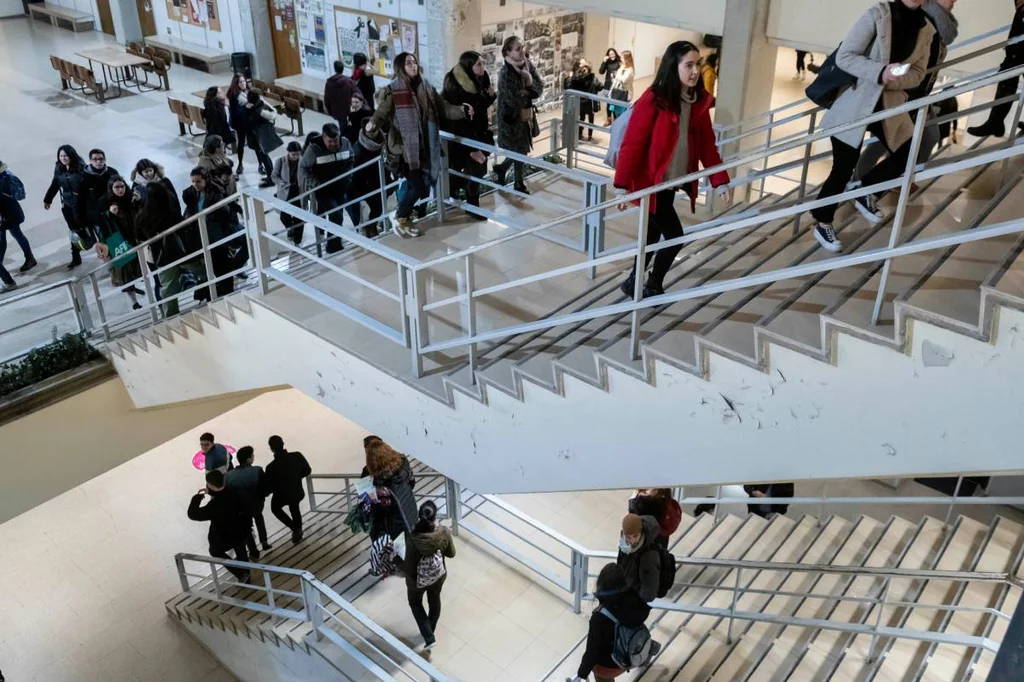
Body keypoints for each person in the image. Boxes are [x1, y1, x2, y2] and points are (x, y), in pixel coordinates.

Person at [808, 0, 936, 254]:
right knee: (843, 168)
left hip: (889, 105)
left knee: (909, 151)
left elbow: (919, 72)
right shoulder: (877, 15)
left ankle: (865, 190)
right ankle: (823, 221)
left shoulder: (926, 29)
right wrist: (879, 72)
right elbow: (846, 56)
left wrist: (893, 80)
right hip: (856, 103)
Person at [613, 40, 732, 299]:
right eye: (688, 65)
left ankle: (633, 281)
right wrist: (621, 186)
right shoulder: (653, 100)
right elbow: (633, 143)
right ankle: (653, 284)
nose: (695, 71)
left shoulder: (697, 102)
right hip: (650, 183)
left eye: (697, 64)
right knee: (675, 236)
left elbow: (707, 147)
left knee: (653, 234)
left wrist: (720, 181)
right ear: (673, 66)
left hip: (669, 183)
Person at [855, 0, 960, 184]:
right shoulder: (924, 19)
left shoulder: (941, 24)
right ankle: (859, 182)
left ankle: (898, 180)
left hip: (920, 94)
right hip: (906, 93)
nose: (955, 0)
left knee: (927, 137)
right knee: (884, 141)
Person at [366, 52, 469, 238]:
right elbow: (381, 114)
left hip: (424, 148)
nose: (413, 65)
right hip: (403, 151)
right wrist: (372, 126)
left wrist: (461, 111)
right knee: (420, 188)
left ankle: (402, 216)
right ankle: (399, 216)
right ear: (400, 67)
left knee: (422, 187)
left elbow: (443, 108)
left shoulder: (426, 87)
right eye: (408, 63)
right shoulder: (394, 91)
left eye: (414, 62)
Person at [568, 564, 656, 682]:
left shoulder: (600, 617)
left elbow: (591, 652)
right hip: (630, 654)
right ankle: (649, 652)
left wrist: (581, 675)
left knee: (599, 670)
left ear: (601, 583)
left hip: (610, 666)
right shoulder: (635, 599)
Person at [443, 50, 497, 220]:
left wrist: (491, 96)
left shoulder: (482, 79)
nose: (483, 67)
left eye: (483, 63)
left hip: (478, 132)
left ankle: (461, 197)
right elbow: (459, 120)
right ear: (468, 67)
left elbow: (479, 107)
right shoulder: (456, 87)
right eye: (479, 64)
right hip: (462, 137)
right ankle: (471, 205)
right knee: (474, 169)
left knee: (479, 169)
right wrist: (473, 148)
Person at [137, 182, 204, 317]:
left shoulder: (142, 217)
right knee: (204, 271)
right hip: (181, 253)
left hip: (161, 257)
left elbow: (139, 236)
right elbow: (183, 229)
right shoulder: (170, 212)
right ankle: (211, 293)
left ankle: (171, 317)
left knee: (167, 288)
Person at [403, 500, 456, 650]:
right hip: (438, 577)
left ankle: (429, 636)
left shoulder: (412, 538)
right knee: (434, 602)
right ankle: (429, 631)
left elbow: (408, 567)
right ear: (435, 515)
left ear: (419, 517)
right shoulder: (444, 532)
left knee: (415, 603)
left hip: (416, 582)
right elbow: (452, 554)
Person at [967, 0, 1024, 138]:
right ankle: (995, 122)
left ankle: (995, 123)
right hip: (1015, 54)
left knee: (1007, 78)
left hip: (1018, 54)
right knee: (1006, 79)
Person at [183, 167, 240, 299]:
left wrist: (209, 218)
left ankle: (227, 291)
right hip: (202, 234)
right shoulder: (191, 194)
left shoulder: (215, 193)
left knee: (221, 264)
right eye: (193, 182)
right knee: (212, 264)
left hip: (216, 234)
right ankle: (220, 290)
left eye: (198, 181)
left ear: (205, 180)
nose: (195, 185)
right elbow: (190, 209)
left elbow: (224, 214)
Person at [494, 36, 542, 194]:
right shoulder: (505, 72)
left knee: (521, 150)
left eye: (522, 47)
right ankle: (517, 182)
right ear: (508, 52)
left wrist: (526, 90)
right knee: (518, 150)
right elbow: (511, 98)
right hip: (510, 118)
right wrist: (528, 91)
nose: (522, 51)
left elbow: (539, 87)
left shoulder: (527, 65)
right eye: (518, 49)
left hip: (524, 116)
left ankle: (504, 170)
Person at [299, 122, 354, 253]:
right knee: (336, 215)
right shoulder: (313, 149)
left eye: (336, 140)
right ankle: (333, 246)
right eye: (330, 141)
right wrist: (315, 183)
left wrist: (348, 176)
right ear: (323, 137)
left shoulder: (345, 143)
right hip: (323, 190)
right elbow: (303, 168)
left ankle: (331, 240)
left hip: (341, 188)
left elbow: (351, 157)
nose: (334, 144)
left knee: (337, 215)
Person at [187, 470, 251, 582]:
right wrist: (212, 492)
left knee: (215, 551)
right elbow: (223, 495)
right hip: (241, 529)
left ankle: (241, 574)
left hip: (225, 536)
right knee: (240, 547)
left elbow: (193, 514)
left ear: (210, 485)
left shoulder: (213, 506)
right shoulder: (234, 492)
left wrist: (197, 498)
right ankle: (247, 571)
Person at [95, 176, 143, 310]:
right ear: (111, 188)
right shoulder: (105, 202)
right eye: (117, 187)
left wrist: (139, 202)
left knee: (135, 267)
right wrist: (108, 213)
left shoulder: (130, 197)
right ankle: (132, 299)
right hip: (119, 241)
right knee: (125, 270)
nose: (120, 189)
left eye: (122, 186)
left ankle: (133, 288)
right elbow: (99, 221)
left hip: (133, 237)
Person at [343, 92, 387, 235]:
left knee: (378, 207)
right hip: (363, 184)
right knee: (372, 207)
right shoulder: (358, 148)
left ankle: (371, 227)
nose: (373, 131)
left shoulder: (381, 141)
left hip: (377, 179)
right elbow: (356, 171)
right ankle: (368, 228)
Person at [361, 435, 418, 541]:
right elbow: (412, 483)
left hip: (390, 528)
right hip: (410, 512)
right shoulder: (403, 463)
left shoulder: (370, 478)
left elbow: (371, 508)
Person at [43, 145, 87, 269]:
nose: (63, 158)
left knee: (86, 228)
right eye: (61, 156)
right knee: (73, 231)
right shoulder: (59, 168)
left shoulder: (81, 168)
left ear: (71, 155)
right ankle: (76, 256)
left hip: (81, 205)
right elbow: (55, 183)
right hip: (67, 205)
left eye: (65, 155)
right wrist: (48, 199)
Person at [264, 435, 312, 544]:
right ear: (283, 443)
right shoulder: (297, 456)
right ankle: (297, 531)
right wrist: (296, 477)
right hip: (297, 491)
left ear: (271, 449)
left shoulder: (271, 467)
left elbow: (269, 487)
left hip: (281, 495)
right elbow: (307, 470)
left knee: (275, 508)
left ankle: (295, 529)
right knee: (294, 507)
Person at [226, 445, 272, 557]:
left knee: (247, 529)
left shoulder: (228, 476)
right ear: (248, 459)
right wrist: (262, 496)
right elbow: (266, 488)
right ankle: (264, 542)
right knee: (259, 519)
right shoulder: (257, 470)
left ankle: (253, 552)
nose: (253, 457)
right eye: (252, 456)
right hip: (256, 504)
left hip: (240, 509)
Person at [77, 148, 119, 254]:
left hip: (114, 213)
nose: (98, 162)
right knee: (104, 240)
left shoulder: (112, 173)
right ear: (90, 161)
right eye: (95, 159)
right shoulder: (83, 177)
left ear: (105, 159)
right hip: (96, 218)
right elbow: (80, 200)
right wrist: (83, 222)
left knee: (119, 236)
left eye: (101, 159)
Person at [0, 161, 34, 293]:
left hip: (5, 215)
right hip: (11, 212)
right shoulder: (5, 173)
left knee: (4, 238)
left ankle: (7, 279)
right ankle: (29, 258)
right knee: (15, 234)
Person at [616, 513, 662, 603]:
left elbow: (649, 589)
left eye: (635, 536)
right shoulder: (624, 544)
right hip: (626, 588)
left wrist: (636, 602)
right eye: (628, 537)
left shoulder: (649, 555)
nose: (632, 541)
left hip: (634, 598)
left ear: (641, 532)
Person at [245, 90, 282, 188]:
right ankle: (270, 176)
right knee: (265, 157)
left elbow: (250, 121)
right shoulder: (259, 106)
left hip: (262, 137)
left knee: (264, 157)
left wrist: (247, 110)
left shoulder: (259, 111)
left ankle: (271, 179)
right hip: (261, 136)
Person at [272, 141, 306, 245]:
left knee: (299, 218)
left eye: (298, 154)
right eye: (293, 154)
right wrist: (280, 182)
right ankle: (290, 228)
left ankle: (297, 240)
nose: (296, 156)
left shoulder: (303, 161)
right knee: (284, 216)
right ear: (288, 152)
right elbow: (274, 176)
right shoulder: (281, 161)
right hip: (285, 191)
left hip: (299, 191)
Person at [564, 58, 600, 141]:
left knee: (586, 117)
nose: (585, 66)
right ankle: (579, 134)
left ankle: (585, 135)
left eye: (586, 64)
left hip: (587, 100)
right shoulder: (576, 76)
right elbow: (569, 87)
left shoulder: (589, 75)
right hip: (579, 100)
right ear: (578, 65)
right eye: (583, 64)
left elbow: (598, 86)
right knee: (581, 117)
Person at [227, 74, 251, 177]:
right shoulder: (233, 96)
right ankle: (240, 164)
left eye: (244, 81)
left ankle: (260, 165)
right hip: (240, 123)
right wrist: (246, 106)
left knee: (255, 144)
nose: (243, 83)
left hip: (250, 122)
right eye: (240, 82)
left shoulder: (249, 92)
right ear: (236, 84)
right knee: (240, 143)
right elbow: (235, 111)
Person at [325, 60, 358, 130]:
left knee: (342, 127)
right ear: (343, 69)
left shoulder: (329, 83)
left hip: (337, 110)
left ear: (334, 69)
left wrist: (330, 111)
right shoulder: (349, 82)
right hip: (349, 110)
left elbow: (326, 100)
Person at [609, 50, 635, 121]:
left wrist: (616, 78)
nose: (620, 59)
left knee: (621, 113)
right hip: (616, 92)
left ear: (626, 59)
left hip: (624, 94)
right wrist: (610, 91)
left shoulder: (630, 70)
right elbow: (617, 79)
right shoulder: (622, 67)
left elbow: (623, 80)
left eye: (622, 58)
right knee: (614, 112)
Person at [599, 48, 622, 126]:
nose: (612, 55)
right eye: (610, 54)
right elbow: (601, 71)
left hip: (617, 85)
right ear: (608, 55)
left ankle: (616, 118)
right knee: (609, 103)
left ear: (615, 54)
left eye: (613, 54)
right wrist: (604, 62)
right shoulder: (607, 62)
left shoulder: (619, 62)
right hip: (608, 84)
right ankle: (609, 119)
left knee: (616, 102)